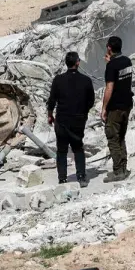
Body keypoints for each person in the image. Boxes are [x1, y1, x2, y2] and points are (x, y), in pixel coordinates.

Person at [46, 50, 94, 186]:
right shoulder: (86, 80)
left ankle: (62, 178)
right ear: (77, 63)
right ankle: (81, 176)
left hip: (62, 120)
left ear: (66, 63)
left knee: (61, 150)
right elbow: (91, 100)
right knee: (78, 148)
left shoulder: (58, 80)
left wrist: (50, 115)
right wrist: (84, 112)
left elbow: (52, 100)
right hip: (78, 120)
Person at [101, 35, 135, 182]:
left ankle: (118, 172)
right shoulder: (127, 61)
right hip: (127, 104)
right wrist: (111, 62)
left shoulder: (111, 66)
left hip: (115, 107)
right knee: (121, 136)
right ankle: (123, 168)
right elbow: (120, 73)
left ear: (109, 48)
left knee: (113, 138)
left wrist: (104, 108)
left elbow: (109, 88)